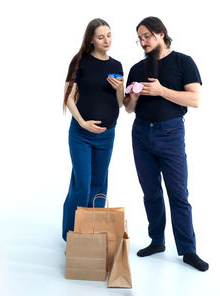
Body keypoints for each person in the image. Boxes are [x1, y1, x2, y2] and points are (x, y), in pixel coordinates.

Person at [123, 16, 208, 272]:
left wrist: (161, 91)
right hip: (140, 134)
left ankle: (188, 250)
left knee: (178, 194)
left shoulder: (183, 61)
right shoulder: (137, 68)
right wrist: (134, 97)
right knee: (150, 192)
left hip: (170, 134)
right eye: (139, 38)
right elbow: (127, 108)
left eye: (146, 36)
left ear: (160, 34)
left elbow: (195, 99)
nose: (143, 42)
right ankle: (157, 241)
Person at [62, 18, 124, 241]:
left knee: (99, 185)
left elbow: (118, 103)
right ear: (91, 39)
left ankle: (93, 234)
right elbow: (68, 98)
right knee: (82, 185)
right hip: (81, 134)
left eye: (109, 35)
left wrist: (121, 89)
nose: (106, 40)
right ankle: (72, 235)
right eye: (101, 36)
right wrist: (82, 122)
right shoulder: (80, 61)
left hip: (107, 136)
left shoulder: (116, 66)